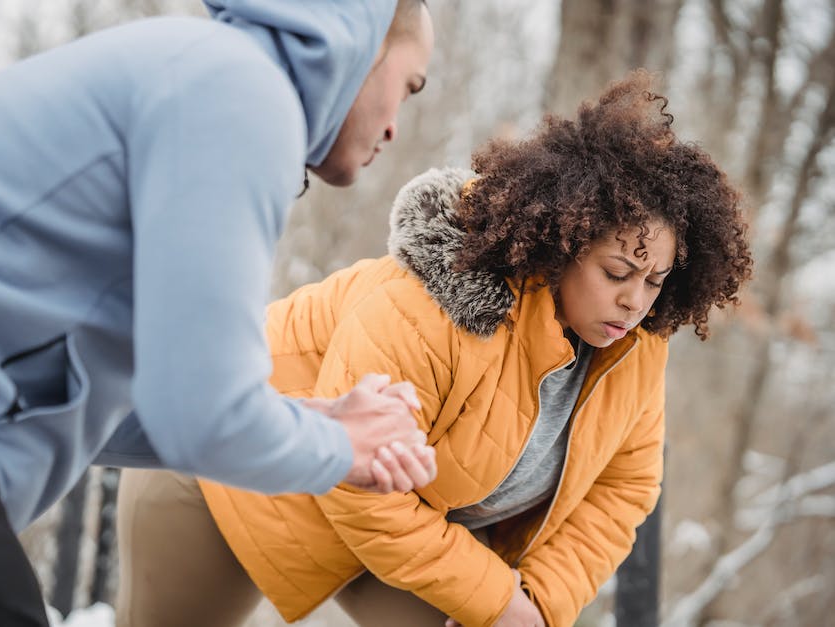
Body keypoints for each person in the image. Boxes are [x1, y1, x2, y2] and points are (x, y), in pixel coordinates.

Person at [115, 71, 754, 627]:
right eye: (618, 272)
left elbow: (623, 490)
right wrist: (494, 601)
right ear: (561, 245)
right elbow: (360, 482)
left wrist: (536, 603)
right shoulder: (433, 304)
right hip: (224, 480)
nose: (636, 301)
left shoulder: (634, 346)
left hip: (401, 536)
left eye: (656, 280)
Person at [0, 1, 437, 625]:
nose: (396, 126)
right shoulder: (238, 90)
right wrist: (344, 444)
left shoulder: (201, 76)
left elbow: (147, 411)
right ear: (361, 46)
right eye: (409, 85)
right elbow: (202, 418)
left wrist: (301, 418)